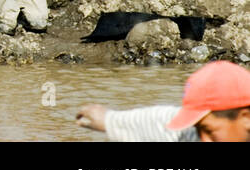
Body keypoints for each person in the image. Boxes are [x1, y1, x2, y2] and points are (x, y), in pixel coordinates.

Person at [77, 61, 250, 142]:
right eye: (198, 131)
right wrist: (109, 120)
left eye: (209, 131)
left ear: (246, 117)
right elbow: (163, 123)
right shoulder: (196, 136)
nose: (202, 140)